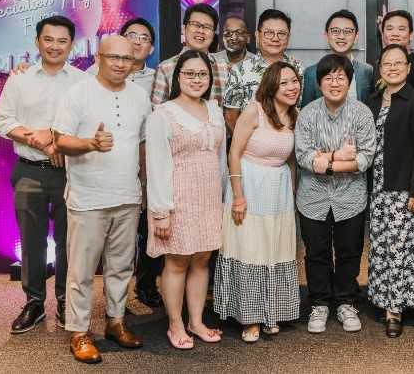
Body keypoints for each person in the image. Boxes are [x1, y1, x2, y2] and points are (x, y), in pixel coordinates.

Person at [51, 36, 151, 363]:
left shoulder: (139, 96)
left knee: (121, 266)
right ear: (98, 57)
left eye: (127, 58)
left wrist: (144, 186)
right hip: (88, 198)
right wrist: (90, 144)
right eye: (113, 57)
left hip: (127, 196)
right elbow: (60, 140)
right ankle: (79, 332)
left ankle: (116, 322)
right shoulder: (78, 93)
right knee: (81, 270)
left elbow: (142, 144)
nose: (121, 64)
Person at [0, 16, 85, 334]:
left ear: (72, 45)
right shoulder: (20, 79)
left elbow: (87, 124)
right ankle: (34, 303)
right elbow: (2, 120)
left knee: (69, 241)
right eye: (48, 39)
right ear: (37, 42)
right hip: (29, 171)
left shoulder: (82, 82)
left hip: (70, 174)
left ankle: (64, 300)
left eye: (62, 41)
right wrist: (38, 140)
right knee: (31, 242)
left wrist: (56, 139)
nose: (55, 46)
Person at [145, 50, 226, 349]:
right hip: (177, 199)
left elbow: (220, 159)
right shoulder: (163, 114)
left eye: (202, 74)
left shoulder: (214, 110)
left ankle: (196, 321)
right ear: (178, 76)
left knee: (202, 260)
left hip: (209, 198)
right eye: (190, 73)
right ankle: (175, 324)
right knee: (177, 261)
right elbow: (156, 166)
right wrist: (160, 211)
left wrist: (222, 199)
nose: (196, 79)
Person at [214, 62, 301, 343]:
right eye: (284, 82)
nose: (291, 87)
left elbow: (291, 161)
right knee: (251, 248)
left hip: (279, 190)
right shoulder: (254, 110)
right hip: (249, 185)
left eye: (294, 81)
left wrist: (292, 192)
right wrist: (238, 196)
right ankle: (249, 317)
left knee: (275, 247)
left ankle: (271, 312)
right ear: (271, 86)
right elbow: (234, 153)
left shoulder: (295, 115)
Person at [296, 54, 376, 334]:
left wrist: (327, 162)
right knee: (316, 253)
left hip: (350, 197)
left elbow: (365, 157)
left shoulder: (362, 113)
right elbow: (304, 156)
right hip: (313, 198)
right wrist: (340, 157)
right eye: (328, 77)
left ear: (349, 81)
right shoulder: (308, 114)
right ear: (319, 83)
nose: (334, 82)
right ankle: (319, 303)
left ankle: (345, 302)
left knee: (349, 252)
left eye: (340, 77)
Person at [90, 17, 163, 309]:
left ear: (151, 48)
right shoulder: (92, 75)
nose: (137, 41)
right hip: (101, 169)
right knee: (108, 239)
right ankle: (109, 300)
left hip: (144, 165)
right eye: (131, 35)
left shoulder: (158, 78)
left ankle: (145, 284)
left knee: (146, 230)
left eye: (144, 38)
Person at [367, 44, 414, 338]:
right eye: (387, 64)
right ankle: (382, 299)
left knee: (401, 249)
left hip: (403, 189)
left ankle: (395, 310)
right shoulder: (373, 101)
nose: (392, 68)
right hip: (377, 188)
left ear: (408, 67)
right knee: (381, 248)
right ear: (380, 68)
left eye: (398, 63)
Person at [223, 8, 304, 131]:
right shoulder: (240, 70)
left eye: (281, 33)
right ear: (257, 35)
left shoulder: (298, 68)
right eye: (269, 33)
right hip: (251, 140)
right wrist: (247, 141)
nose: (275, 38)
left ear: (288, 37)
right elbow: (230, 116)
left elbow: (299, 109)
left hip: (289, 138)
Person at [151, 3, 229, 106]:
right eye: (196, 25)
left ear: (213, 35)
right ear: (183, 29)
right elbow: (157, 110)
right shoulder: (165, 68)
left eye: (207, 27)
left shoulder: (224, 67)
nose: (201, 31)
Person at [300, 9, 374, 107]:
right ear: (326, 36)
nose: (341, 36)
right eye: (335, 31)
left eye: (347, 31)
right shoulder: (311, 73)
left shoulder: (367, 71)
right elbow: (306, 111)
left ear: (356, 37)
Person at [375, 9, 414, 95]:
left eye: (401, 29)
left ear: (411, 35)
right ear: (383, 34)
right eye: (389, 29)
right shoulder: (378, 65)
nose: (395, 33)